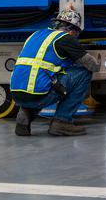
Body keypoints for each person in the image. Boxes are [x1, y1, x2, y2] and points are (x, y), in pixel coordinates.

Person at [10, 7, 99, 137]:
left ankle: (24, 116)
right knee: (83, 73)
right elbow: (92, 66)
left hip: (17, 96)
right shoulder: (65, 38)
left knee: (41, 80)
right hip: (39, 96)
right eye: (77, 32)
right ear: (72, 29)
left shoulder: (35, 35)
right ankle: (62, 121)